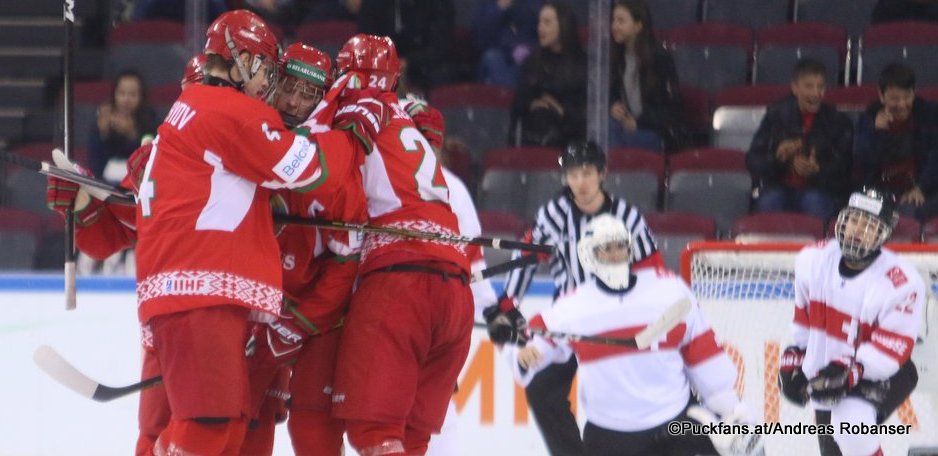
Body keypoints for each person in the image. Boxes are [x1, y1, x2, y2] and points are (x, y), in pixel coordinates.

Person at [133, 9, 385, 455]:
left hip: (193, 292)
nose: (272, 86)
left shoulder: (192, 108)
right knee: (209, 428)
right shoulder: (231, 110)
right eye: (268, 70)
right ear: (242, 59)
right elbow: (310, 169)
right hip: (200, 293)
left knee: (227, 430)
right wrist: (354, 134)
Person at [327, 34, 473, 456]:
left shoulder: (354, 111)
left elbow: (335, 190)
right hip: (453, 291)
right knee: (412, 436)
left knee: (373, 431)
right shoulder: (408, 120)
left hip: (401, 281)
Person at [510, 214, 761, 456]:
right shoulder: (573, 307)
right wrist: (532, 351)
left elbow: (703, 355)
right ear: (589, 254)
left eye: (620, 245)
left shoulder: (670, 291)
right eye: (605, 248)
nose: (615, 253)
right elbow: (540, 338)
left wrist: (731, 407)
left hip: (673, 421)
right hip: (611, 435)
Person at [483, 139, 663, 456]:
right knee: (542, 391)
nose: (580, 182)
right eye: (573, 174)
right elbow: (528, 256)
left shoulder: (628, 217)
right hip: (570, 322)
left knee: (623, 405)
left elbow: (653, 271)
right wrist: (507, 304)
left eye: (587, 173)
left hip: (617, 322)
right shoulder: (554, 214)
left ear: (602, 174)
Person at [778, 187, 924, 456]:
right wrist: (797, 355)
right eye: (854, 220)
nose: (858, 230)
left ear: (883, 235)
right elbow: (803, 319)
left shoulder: (901, 282)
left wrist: (852, 371)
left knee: (850, 428)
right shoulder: (812, 260)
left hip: (884, 371)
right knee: (833, 449)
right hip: (829, 372)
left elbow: (891, 349)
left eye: (869, 226)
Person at [400, 96, 500, 455]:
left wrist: (495, 308)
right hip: (390, 309)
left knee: (431, 410)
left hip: (429, 313)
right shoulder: (375, 177)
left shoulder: (452, 189)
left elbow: (472, 260)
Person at [747, 57, 854, 222]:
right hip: (778, 188)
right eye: (809, 86)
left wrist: (817, 170)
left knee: (813, 203)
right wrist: (779, 159)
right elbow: (753, 161)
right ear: (795, 88)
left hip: (820, 190)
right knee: (770, 203)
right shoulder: (776, 116)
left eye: (821, 87)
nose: (816, 93)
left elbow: (847, 168)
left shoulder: (838, 121)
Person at [854, 62, 938, 221]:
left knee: (907, 213)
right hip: (880, 191)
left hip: (923, 189)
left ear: (914, 93)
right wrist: (876, 133)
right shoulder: (868, 119)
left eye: (907, 97)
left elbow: (935, 157)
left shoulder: (931, 115)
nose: (901, 104)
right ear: (881, 95)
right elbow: (861, 164)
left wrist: (921, 188)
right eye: (894, 98)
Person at [608, 0, 687, 152]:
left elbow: (671, 110)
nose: (614, 26)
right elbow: (610, 93)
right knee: (605, 132)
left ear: (638, 26)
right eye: (614, 20)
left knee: (617, 143)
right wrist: (612, 106)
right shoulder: (616, 57)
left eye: (621, 21)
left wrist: (639, 122)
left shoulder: (659, 58)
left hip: (654, 129)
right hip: (623, 125)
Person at [510, 0, 587, 147]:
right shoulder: (533, 61)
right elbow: (519, 103)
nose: (540, 28)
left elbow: (585, 110)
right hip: (538, 131)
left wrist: (560, 109)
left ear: (564, 26)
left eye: (547, 23)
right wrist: (532, 104)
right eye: (539, 22)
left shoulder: (582, 63)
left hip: (572, 134)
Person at [88, 69, 157, 181]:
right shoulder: (105, 118)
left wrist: (132, 135)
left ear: (141, 96)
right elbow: (96, 164)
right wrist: (102, 134)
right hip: (108, 183)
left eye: (132, 94)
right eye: (121, 93)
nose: (126, 99)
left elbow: (151, 156)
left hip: (139, 182)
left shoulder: (150, 119)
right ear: (114, 94)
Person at [471, 0, 543, 88]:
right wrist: (500, 7)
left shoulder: (537, 4)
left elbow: (547, 31)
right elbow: (480, 39)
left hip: (532, 55)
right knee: (492, 59)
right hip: (500, 55)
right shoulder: (489, 4)